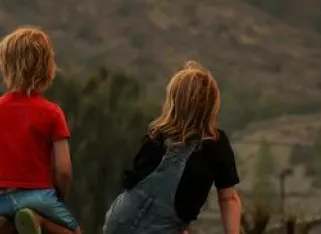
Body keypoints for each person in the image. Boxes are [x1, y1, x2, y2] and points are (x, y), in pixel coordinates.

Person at [103, 61, 242, 234]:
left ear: (173, 101)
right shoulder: (215, 144)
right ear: (212, 105)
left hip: (119, 222)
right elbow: (228, 199)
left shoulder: (155, 136)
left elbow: (135, 185)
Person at [0, 26, 82, 234]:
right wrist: (59, 197)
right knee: (74, 232)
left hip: (2, 198)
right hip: (38, 196)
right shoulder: (52, 113)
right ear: (47, 68)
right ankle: (39, 219)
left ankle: (13, 220)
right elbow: (64, 169)